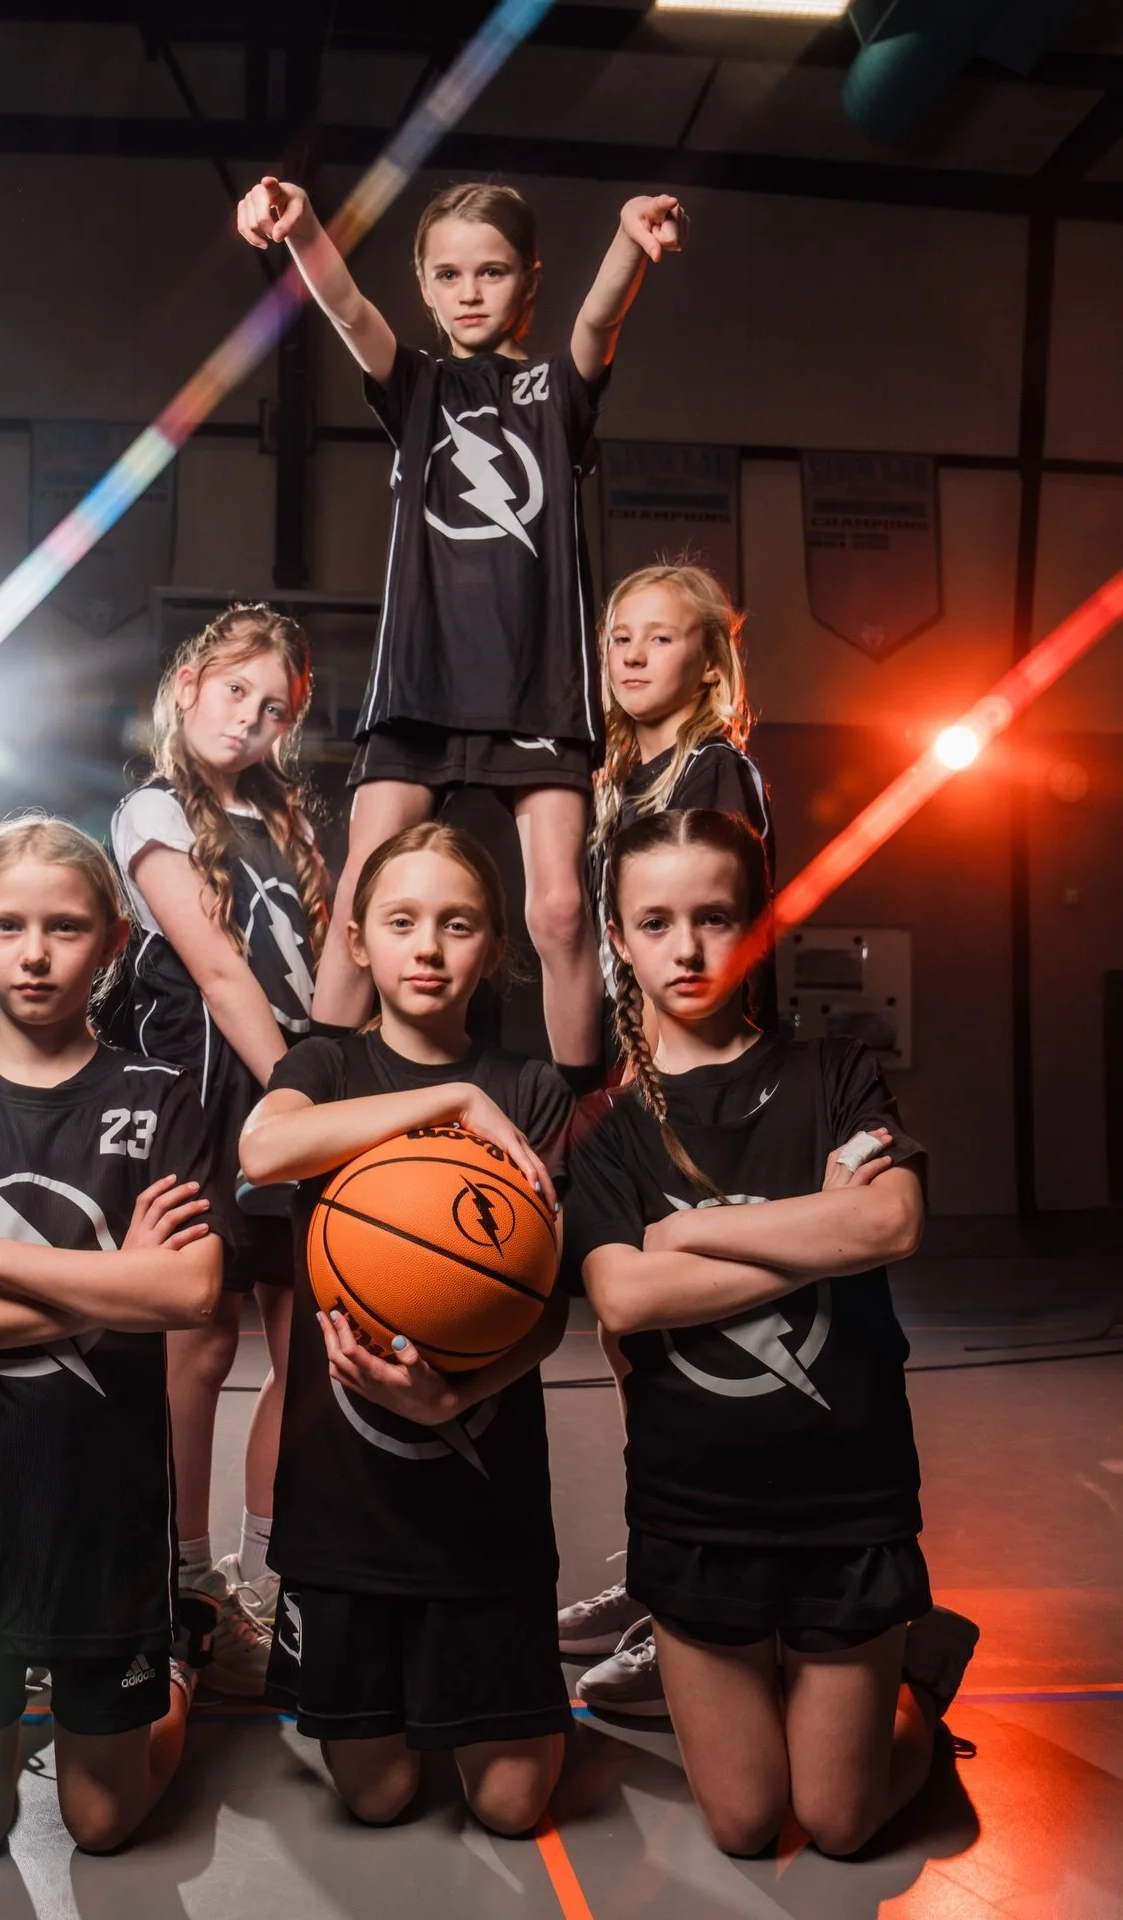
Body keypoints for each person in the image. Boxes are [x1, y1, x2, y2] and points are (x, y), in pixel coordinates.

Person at [563, 807, 978, 1858]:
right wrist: (814, 1229)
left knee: (839, 1823)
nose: (687, 947)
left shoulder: (832, 1070)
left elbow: (889, 1220)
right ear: (617, 937)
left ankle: (916, 1680)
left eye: (715, 916)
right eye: (655, 922)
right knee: (749, 1827)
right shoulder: (611, 1136)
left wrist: (688, 1233)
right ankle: (832, 1686)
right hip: (696, 1513)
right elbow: (624, 1301)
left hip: (849, 1507)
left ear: (758, 926)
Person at [236, 173, 687, 1086]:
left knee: (559, 908)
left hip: (537, 687)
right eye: (448, 275)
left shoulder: (556, 394)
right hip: (422, 685)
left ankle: (575, 1127)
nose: (469, 292)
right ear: (425, 282)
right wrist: (303, 226)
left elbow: (597, 327)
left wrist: (630, 244)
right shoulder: (417, 387)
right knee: (367, 888)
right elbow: (349, 311)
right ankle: (311, 1102)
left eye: (492, 272)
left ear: (528, 280)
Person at [0, 816, 228, 1861]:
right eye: (8, 926)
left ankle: (181, 1663)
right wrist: (119, 1286)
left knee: (104, 1825)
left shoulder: (162, 1103)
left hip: (101, 1508)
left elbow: (192, 1290)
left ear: (113, 942)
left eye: (65, 927)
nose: (34, 952)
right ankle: (0, 1706)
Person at [237, 822, 575, 1835]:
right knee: (378, 1799)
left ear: (494, 949)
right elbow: (264, 1146)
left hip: (483, 1496)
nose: (427, 947)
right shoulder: (326, 1065)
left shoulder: (534, 1089)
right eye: (402, 921)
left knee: (513, 1808)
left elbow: (550, 1308)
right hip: (344, 1503)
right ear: (357, 941)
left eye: (457, 924)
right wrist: (451, 1100)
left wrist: (459, 1393)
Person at [559, 561, 777, 1695]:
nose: (633, 656)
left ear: (709, 660)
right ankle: (661, 1568)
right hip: (633, 1075)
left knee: (701, 1354)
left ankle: (709, 1600)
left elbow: (720, 948)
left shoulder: (713, 772)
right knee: (629, 1339)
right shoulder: (619, 780)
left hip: (708, 1090)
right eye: (618, 639)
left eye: (660, 638)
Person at [110, 604, 328, 1695]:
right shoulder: (153, 809)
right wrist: (302, 1089)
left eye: (273, 706)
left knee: (307, 1347)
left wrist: (344, 1074)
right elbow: (220, 973)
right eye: (235, 691)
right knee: (196, 1348)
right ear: (190, 683)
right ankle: (183, 1577)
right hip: (209, 1099)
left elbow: (319, 970)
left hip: (288, 1087)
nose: (249, 717)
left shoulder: (289, 822)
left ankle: (270, 1577)